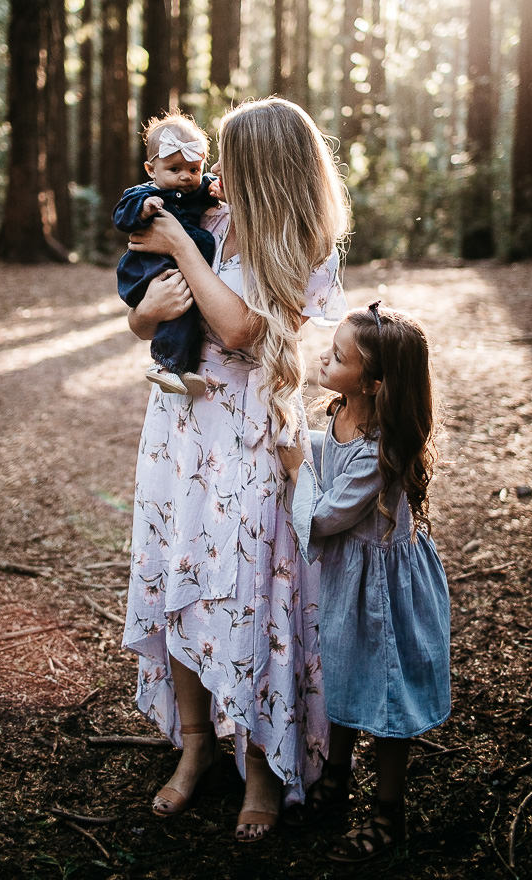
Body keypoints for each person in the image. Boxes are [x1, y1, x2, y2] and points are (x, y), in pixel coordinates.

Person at [121, 97, 350, 841]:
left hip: (249, 435)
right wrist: (144, 314)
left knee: (249, 592)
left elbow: (242, 329)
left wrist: (182, 251)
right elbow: (146, 304)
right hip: (180, 427)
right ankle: (194, 749)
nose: (212, 171)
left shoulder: (304, 242)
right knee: (177, 572)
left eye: (227, 158)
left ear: (263, 168)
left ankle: (259, 762)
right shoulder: (208, 220)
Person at [279, 301, 451, 865]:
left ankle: (387, 812)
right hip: (352, 579)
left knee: (387, 692)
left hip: (384, 588)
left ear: (375, 383)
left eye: (338, 357)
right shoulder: (342, 412)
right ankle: (334, 780)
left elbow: (327, 515)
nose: (324, 358)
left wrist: (295, 463)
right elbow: (325, 447)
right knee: (348, 674)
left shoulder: (382, 448)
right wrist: (291, 433)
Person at [112, 113, 221, 397]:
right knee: (180, 311)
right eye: (174, 169)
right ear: (151, 170)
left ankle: (182, 367)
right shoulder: (140, 194)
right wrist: (145, 208)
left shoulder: (197, 189)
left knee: (189, 313)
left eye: (194, 169)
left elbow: (213, 190)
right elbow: (121, 217)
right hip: (150, 270)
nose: (186, 177)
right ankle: (165, 366)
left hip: (180, 268)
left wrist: (218, 189)